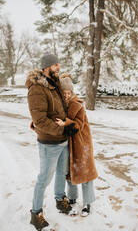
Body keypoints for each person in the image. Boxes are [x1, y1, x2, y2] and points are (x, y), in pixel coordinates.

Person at [25, 54, 78, 231]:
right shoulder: (36, 88)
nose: (59, 67)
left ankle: (60, 200)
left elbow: (61, 110)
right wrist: (63, 129)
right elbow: (40, 120)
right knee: (44, 178)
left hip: (62, 140)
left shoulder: (54, 84)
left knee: (61, 174)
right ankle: (36, 213)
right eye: (56, 64)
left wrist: (68, 126)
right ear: (47, 67)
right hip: (49, 143)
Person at [56, 73, 98, 217]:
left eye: (68, 92)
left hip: (81, 142)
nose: (66, 95)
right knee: (69, 173)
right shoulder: (59, 105)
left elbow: (78, 125)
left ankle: (88, 203)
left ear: (72, 92)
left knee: (85, 173)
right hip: (67, 144)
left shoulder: (77, 105)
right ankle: (72, 197)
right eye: (64, 93)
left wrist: (65, 122)